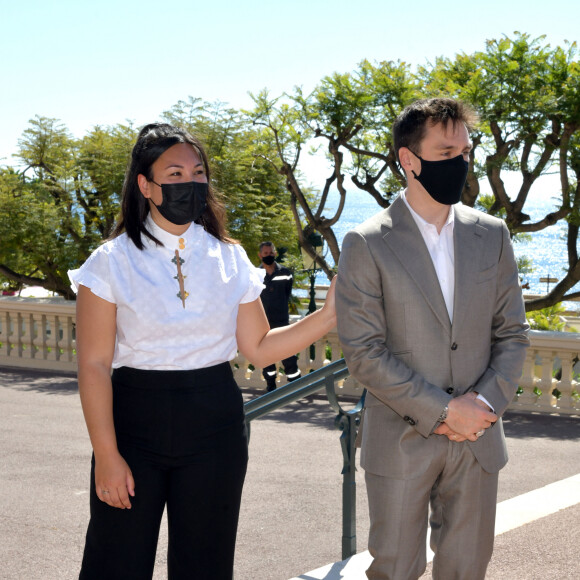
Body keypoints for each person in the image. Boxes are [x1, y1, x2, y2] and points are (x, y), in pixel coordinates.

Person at [69, 123, 336, 580]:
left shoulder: (230, 257)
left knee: (206, 566)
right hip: (133, 423)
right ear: (145, 185)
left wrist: (329, 316)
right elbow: (93, 365)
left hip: (215, 422)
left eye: (197, 173)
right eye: (173, 174)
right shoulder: (109, 262)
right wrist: (107, 455)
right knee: (115, 562)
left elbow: (259, 347)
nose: (188, 183)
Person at [335, 98, 529, 580]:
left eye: (465, 152)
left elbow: (513, 334)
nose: (460, 163)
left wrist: (479, 406)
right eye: (446, 152)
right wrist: (444, 411)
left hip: (479, 439)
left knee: (467, 570)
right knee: (396, 569)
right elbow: (363, 353)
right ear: (408, 159)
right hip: (400, 440)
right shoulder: (366, 243)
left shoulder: (493, 234)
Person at [258, 241, 301, 391]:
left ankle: (295, 386)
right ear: (260, 255)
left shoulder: (286, 273)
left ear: (274, 254)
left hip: (282, 321)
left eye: (271, 253)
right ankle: (270, 386)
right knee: (266, 356)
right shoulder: (255, 275)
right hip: (263, 324)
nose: (268, 256)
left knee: (288, 354)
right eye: (265, 254)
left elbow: (287, 293)